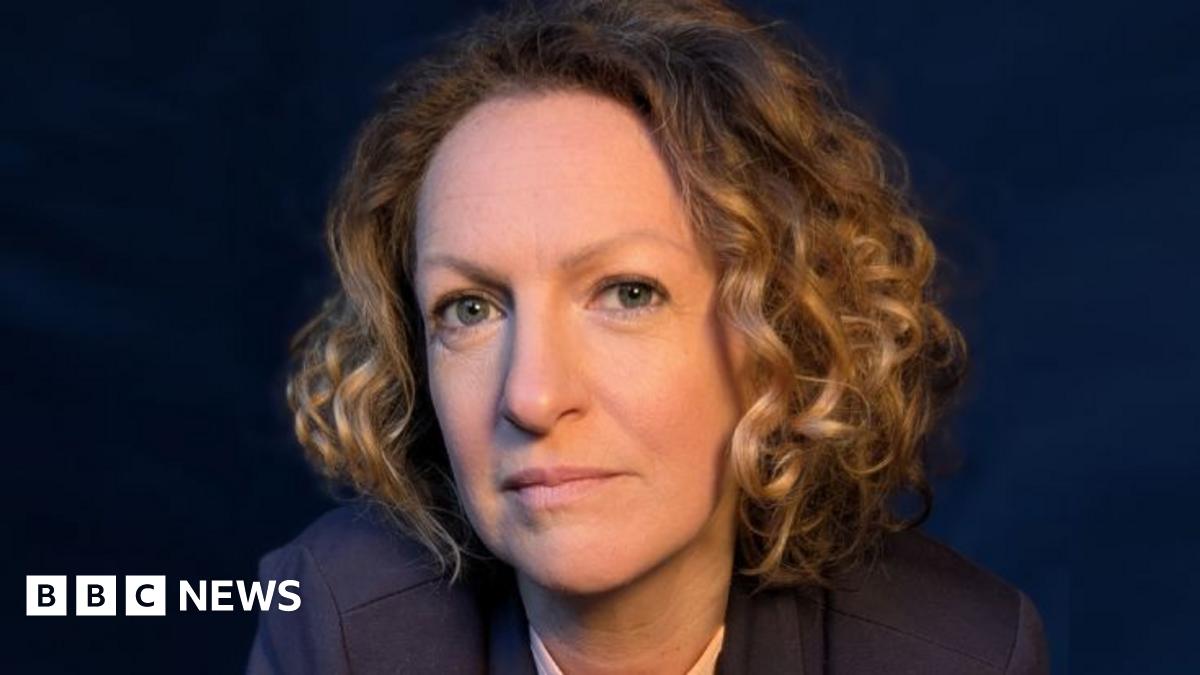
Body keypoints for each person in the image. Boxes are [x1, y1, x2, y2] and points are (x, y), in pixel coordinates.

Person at [246, 0, 1049, 673]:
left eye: (628, 294)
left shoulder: (955, 653)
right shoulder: (342, 629)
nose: (532, 395)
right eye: (470, 308)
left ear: (777, 338)